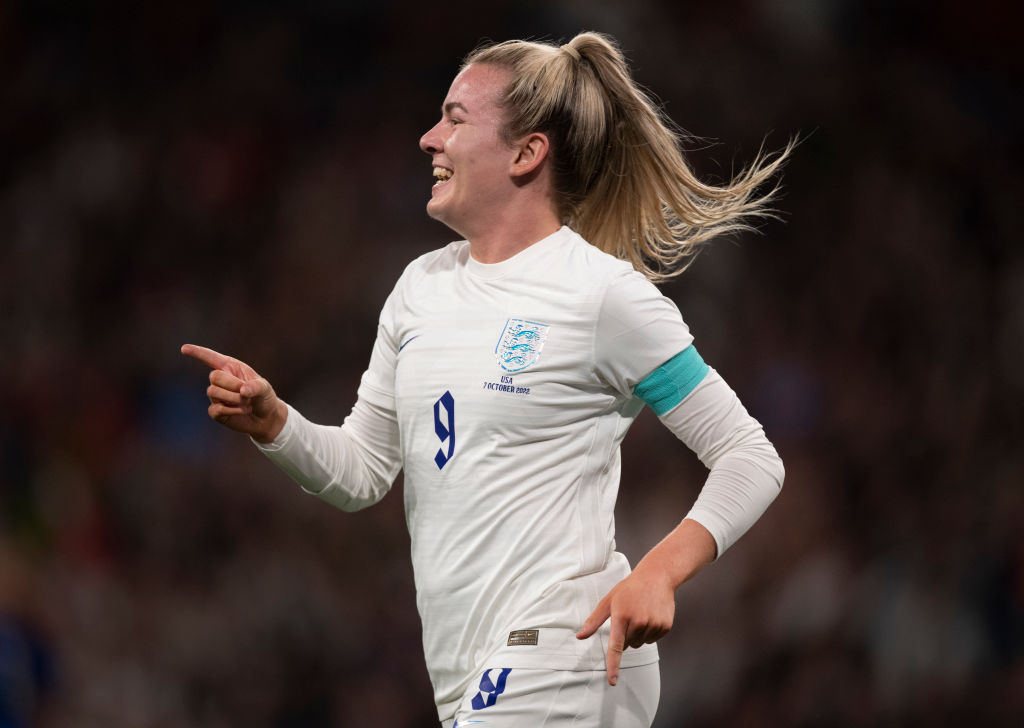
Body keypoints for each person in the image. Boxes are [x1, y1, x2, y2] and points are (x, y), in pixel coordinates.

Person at [183, 32, 791, 728]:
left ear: (527, 153)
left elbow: (749, 456)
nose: (427, 138)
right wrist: (274, 423)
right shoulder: (421, 288)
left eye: (455, 118)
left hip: (560, 655)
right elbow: (364, 472)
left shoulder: (601, 297)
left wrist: (659, 570)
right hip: (472, 675)